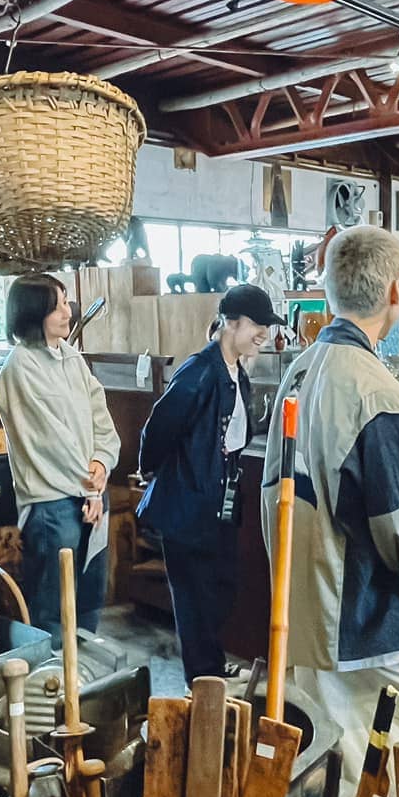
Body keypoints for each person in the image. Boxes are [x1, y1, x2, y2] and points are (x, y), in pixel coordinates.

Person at [265, 227, 399, 797]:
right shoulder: (377, 394)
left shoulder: (301, 369)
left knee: (332, 794)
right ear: (396, 292)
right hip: (371, 635)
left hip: (306, 617)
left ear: (328, 289)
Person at [136, 284, 283, 681]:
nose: (264, 333)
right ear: (230, 323)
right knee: (195, 603)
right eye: (257, 324)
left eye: (266, 326)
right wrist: (153, 471)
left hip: (219, 505)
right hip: (189, 506)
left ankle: (211, 672)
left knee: (221, 589)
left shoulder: (235, 372)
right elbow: (157, 429)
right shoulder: (200, 371)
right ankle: (204, 682)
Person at [0, 273, 120, 632]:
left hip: (89, 493)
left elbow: (101, 417)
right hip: (52, 502)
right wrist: (90, 488)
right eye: (58, 306)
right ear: (34, 313)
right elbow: (51, 441)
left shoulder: (71, 357)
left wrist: (101, 463)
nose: (68, 312)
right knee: (54, 607)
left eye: (66, 302)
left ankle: (83, 668)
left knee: (89, 598)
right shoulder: (20, 366)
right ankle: (54, 669)